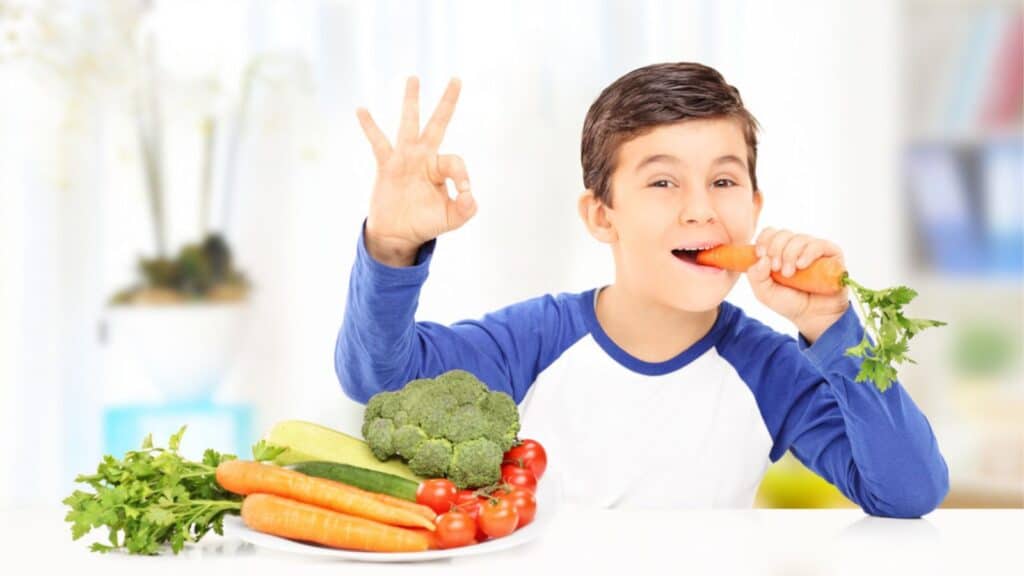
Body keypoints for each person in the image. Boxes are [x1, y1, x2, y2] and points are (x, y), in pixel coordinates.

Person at [335, 63, 949, 516]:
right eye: (662, 183)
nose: (700, 211)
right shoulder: (534, 340)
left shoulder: (771, 368)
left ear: (755, 206)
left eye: (725, 182)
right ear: (602, 216)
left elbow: (907, 492)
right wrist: (390, 247)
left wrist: (833, 326)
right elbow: (378, 379)